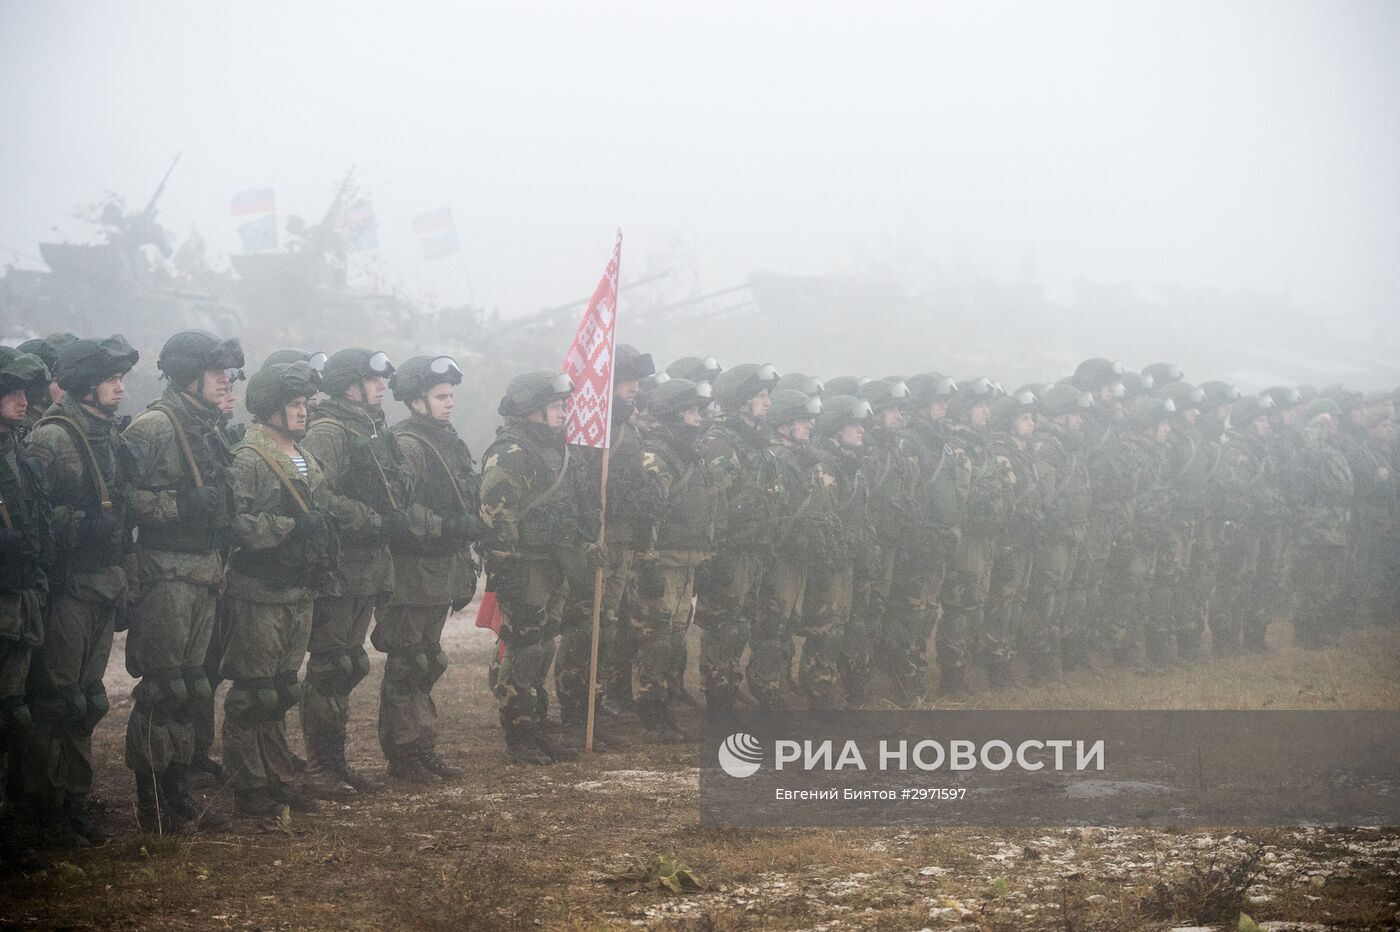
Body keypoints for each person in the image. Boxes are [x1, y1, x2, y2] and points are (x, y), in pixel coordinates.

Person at [121, 330, 244, 831]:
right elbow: (120, 497)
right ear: (188, 375)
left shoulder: (209, 427)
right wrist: (178, 505)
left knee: (192, 687)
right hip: (165, 573)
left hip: (204, 571)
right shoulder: (154, 426)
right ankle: (152, 802)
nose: (226, 381)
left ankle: (176, 788)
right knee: (163, 689)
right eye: (216, 372)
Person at [24, 335, 139, 845]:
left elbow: (122, 516)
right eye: (111, 378)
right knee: (56, 702)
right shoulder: (52, 437)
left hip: (103, 583)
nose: (120, 387)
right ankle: (41, 809)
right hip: (67, 587)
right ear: (86, 384)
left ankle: (74, 799)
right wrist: (81, 525)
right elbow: (31, 518)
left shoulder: (108, 436)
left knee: (88, 701)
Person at [221, 361, 341, 817]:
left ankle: (277, 777)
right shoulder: (248, 457)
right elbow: (237, 526)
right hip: (259, 590)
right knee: (253, 693)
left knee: (282, 690)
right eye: (294, 404)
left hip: (299, 590)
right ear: (270, 407)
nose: (303, 411)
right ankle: (248, 786)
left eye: (305, 403)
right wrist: (289, 527)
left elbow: (323, 517)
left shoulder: (306, 457)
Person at [300, 348, 412, 795]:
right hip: (341, 565)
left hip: (368, 565)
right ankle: (321, 765)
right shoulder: (328, 431)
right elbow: (315, 493)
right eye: (372, 379)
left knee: (349, 664)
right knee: (330, 666)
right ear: (350, 386)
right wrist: (372, 519)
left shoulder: (370, 428)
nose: (382, 385)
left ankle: (335, 762)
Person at [375, 356, 479, 781]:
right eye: (440, 396)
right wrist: (444, 526)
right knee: (407, 663)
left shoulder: (447, 440)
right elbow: (398, 507)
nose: (449, 403)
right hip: (412, 571)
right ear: (417, 402)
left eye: (450, 395)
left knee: (428, 660)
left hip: (440, 568)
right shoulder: (408, 445)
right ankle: (403, 753)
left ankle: (421, 745)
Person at [479, 371, 582, 765]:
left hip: (553, 562)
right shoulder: (511, 451)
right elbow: (495, 512)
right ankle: (518, 733)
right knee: (523, 650)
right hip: (525, 566)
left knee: (544, 645)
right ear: (533, 409)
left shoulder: (555, 450)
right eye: (555, 406)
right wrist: (503, 565)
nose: (562, 412)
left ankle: (536, 725)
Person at [555, 345, 656, 748]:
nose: (634, 388)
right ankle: (575, 714)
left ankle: (593, 711)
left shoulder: (629, 428)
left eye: (636, 381)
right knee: (584, 629)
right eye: (626, 380)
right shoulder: (587, 429)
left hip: (622, 541)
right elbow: (574, 487)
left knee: (607, 629)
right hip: (594, 543)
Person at [630, 378, 716, 738]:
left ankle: (666, 704)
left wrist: (706, 557)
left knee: (677, 639)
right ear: (674, 414)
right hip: (662, 562)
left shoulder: (688, 454)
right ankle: (651, 709)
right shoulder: (657, 456)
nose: (699, 418)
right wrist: (648, 561)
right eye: (691, 411)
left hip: (687, 561)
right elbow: (646, 516)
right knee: (657, 639)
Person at [694, 363, 781, 713]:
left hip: (753, 551)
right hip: (728, 554)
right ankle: (719, 703)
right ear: (742, 401)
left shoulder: (757, 444)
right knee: (724, 629)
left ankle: (728, 693)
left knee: (741, 626)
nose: (768, 403)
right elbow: (714, 502)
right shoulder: (720, 442)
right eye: (761, 396)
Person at [748, 388, 836, 710]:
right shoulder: (772, 460)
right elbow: (767, 511)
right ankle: (769, 692)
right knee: (773, 627)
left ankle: (780, 684)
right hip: (779, 556)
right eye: (803, 419)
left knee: (786, 625)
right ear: (784, 424)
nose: (810, 425)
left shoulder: (804, 460)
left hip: (802, 555)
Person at [0, 347, 54, 863]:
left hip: (20, 595)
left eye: (23, 392)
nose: (23, 401)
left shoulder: (18, 449)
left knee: (11, 714)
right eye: (11, 392)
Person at [883, 373, 966, 705]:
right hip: (917, 544)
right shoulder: (910, 442)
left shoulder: (940, 443)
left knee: (928, 613)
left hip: (938, 543)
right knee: (911, 615)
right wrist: (917, 534)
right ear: (922, 404)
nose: (944, 406)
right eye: (937, 401)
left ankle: (914, 677)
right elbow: (902, 497)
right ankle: (906, 683)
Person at [937, 378, 1011, 696]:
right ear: (964, 410)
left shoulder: (984, 448)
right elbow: (953, 499)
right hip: (965, 540)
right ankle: (951, 680)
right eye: (980, 405)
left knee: (976, 606)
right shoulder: (955, 447)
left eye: (987, 405)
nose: (986, 411)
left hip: (985, 540)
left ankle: (963, 672)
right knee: (959, 609)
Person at [1024, 385, 1093, 679]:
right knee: (1045, 598)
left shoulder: (1067, 446)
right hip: (1054, 537)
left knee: (1060, 597)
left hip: (1070, 535)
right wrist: (1057, 521)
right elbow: (1044, 496)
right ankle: (1038, 662)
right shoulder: (1047, 447)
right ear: (1060, 415)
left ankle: (1051, 660)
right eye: (1075, 414)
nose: (1080, 420)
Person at [809, 394, 874, 706]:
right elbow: (824, 519)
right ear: (836, 428)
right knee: (827, 630)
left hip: (851, 559)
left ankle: (846, 688)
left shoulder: (854, 466)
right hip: (833, 561)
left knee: (851, 626)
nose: (861, 430)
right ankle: (819, 695)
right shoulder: (826, 466)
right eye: (853, 425)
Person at [983, 390, 1041, 687]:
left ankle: (1006, 657)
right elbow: (1003, 502)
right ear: (1009, 423)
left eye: (1032, 418)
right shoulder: (1002, 454)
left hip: (1024, 540)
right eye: (1024, 418)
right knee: (1002, 604)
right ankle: (995, 663)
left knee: (1016, 603)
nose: (1031, 423)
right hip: (1008, 541)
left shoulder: (1024, 454)